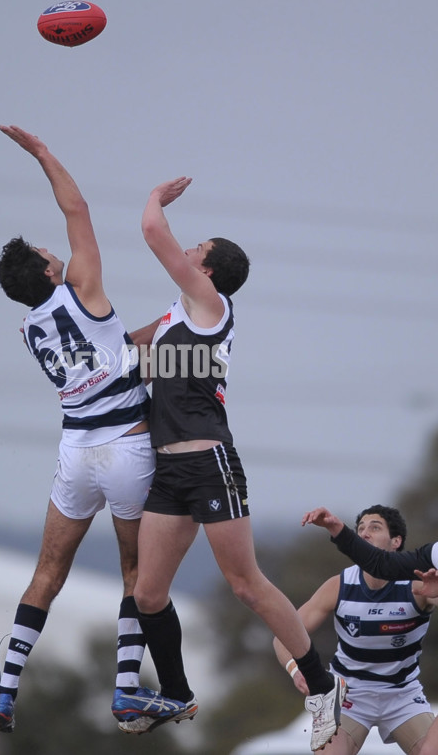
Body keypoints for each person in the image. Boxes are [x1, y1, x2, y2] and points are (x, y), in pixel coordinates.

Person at [117, 175, 347, 752]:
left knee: (245, 584)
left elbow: (151, 229)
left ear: (209, 271)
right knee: (148, 594)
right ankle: (175, 690)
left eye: (196, 249)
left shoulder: (209, 303)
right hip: (167, 471)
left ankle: (321, 687)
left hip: (209, 462)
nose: (187, 249)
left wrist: (156, 200)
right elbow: (120, 351)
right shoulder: (176, 316)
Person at [0, 125, 179, 732]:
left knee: (47, 572)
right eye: (51, 255)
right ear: (49, 274)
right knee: (134, 572)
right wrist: (43, 154)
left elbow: (117, 351)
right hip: (126, 445)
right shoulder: (83, 288)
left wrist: (168, 322)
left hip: (75, 452)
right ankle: (125, 690)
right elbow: (78, 207)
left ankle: (4, 691)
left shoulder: (30, 329)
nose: (60, 254)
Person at [274, 505, 436, 754]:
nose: (365, 533)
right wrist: (297, 670)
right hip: (348, 694)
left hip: (402, 694)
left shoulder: (420, 584)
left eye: (375, 527)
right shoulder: (339, 586)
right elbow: (283, 637)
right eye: (360, 529)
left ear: (396, 541)